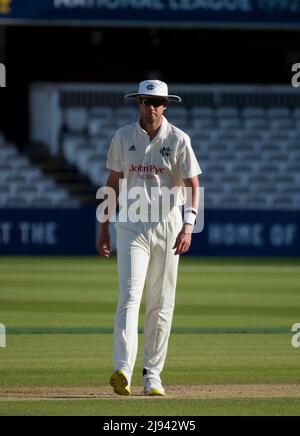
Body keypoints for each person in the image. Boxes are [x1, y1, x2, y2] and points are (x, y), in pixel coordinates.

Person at [97, 80, 201, 396]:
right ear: (138, 104)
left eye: (156, 102)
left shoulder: (178, 139)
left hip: (168, 228)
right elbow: (113, 181)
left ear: (166, 105)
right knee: (129, 296)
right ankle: (123, 370)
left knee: (161, 303)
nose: (150, 107)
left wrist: (188, 226)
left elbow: (194, 186)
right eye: (145, 101)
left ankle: (152, 374)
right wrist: (103, 224)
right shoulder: (122, 136)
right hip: (131, 226)